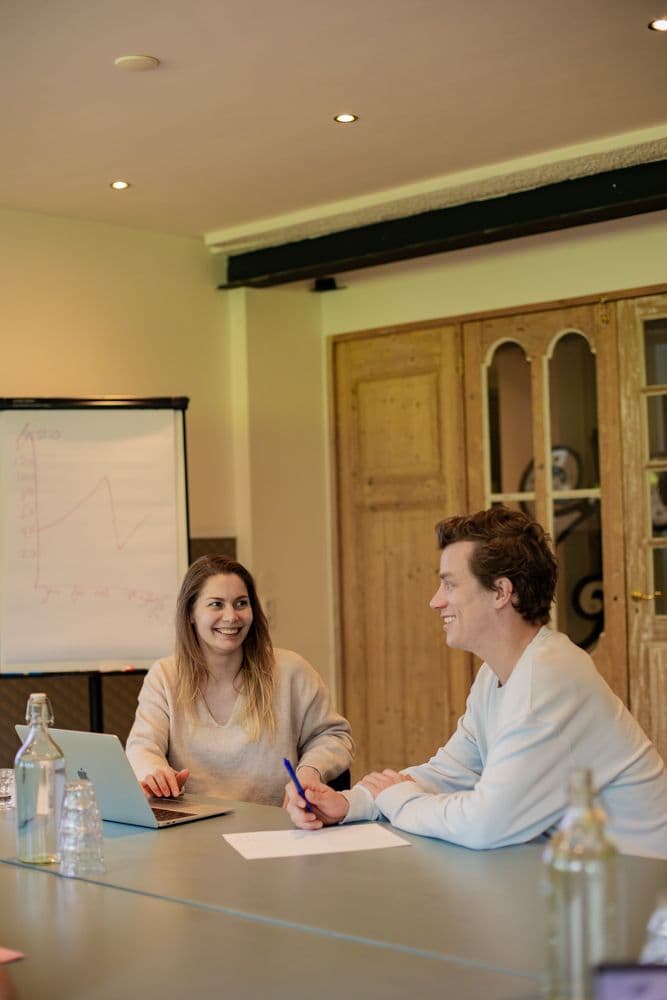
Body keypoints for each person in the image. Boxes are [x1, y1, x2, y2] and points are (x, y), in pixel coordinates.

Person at [285, 507, 667, 859]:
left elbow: (484, 823)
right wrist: (354, 803)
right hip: (577, 873)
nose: (436, 601)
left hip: (638, 884)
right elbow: (452, 772)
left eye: (450, 585)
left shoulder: (547, 681)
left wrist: (398, 799)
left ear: (501, 592)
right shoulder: (496, 674)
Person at [126, 554, 354, 806]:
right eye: (216, 604)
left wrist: (309, 771)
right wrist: (154, 771)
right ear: (191, 613)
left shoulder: (292, 671)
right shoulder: (164, 676)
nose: (231, 616)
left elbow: (334, 736)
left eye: (241, 603)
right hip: (192, 823)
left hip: (275, 823)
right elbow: (142, 746)